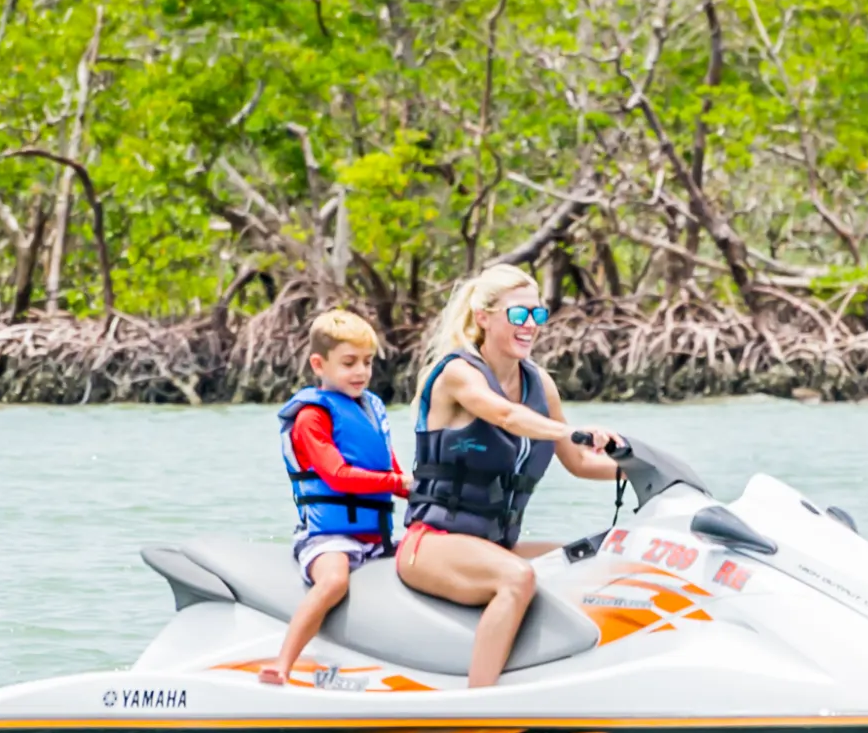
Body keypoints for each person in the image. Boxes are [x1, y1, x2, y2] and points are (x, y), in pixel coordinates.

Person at [398, 266, 621, 688]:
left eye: (537, 316)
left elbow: (580, 462)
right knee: (517, 578)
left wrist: (643, 469)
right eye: (518, 316)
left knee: (597, 560)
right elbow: (503, 415)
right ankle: (478, 703)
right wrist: (569, 430)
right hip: (432, 544)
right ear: (483, 317)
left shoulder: (540, 385)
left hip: (496, 543)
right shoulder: (457, 374)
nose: (530, 327)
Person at [261, 309, 411, 686]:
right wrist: (399, 484)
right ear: (319, 363)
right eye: (349, 363)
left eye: (367, 362)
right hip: (328, 538)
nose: (360, 371)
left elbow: (392, 468)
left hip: (378, 536)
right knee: (333, 582)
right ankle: (283, 663)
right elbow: (337, 475)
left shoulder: (372, 408)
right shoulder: (311, 417)